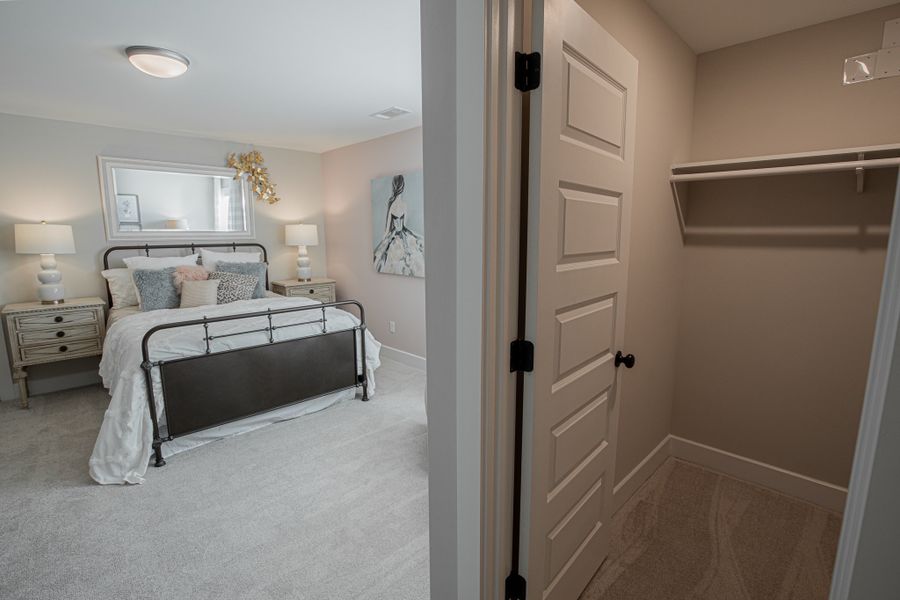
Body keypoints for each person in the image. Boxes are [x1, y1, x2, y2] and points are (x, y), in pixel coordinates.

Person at [373, 175, 425, 277]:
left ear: (394, 187)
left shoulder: (392, 204)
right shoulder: (404, 205)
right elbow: (404, 225)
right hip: (403, 234)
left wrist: (384, 241)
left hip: (393, 235)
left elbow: (387, 229)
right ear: (403, 186)